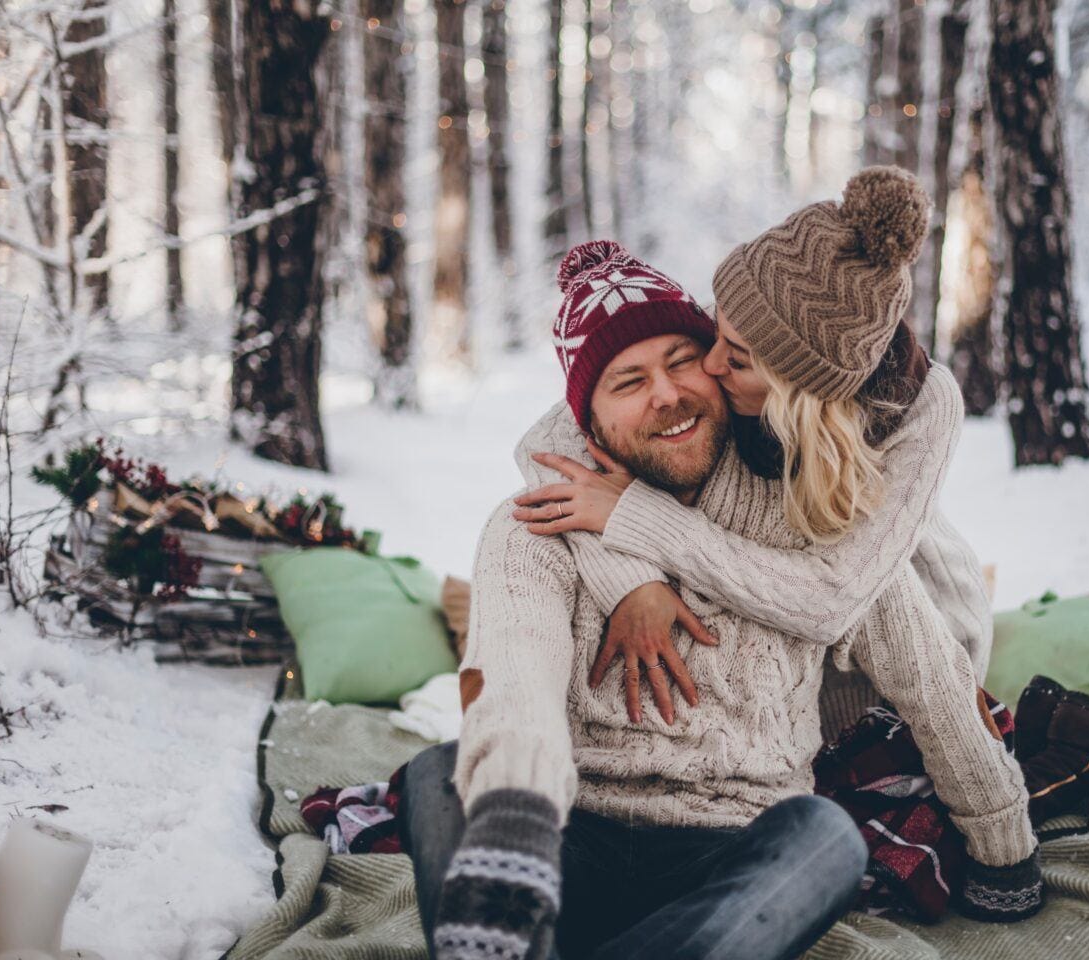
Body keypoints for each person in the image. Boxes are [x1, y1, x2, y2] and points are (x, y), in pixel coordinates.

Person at [399, 243, 1041, 960]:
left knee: (824, 838)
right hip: (569, 835)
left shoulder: (812, 518)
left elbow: (934, 683)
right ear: (585, 419)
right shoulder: (539, 527)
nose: (666, 394)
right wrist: (517, 826)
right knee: (439, 778)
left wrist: (1005, 849)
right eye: (628, 380)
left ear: (720, 367)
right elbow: (515, 680)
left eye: (681, 360)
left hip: (740, 853)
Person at [510, 167, 990, 740]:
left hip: (912, 643)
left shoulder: (922, 406)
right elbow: (550, 445)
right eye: (716, 331)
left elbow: (834, 598)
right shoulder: (751, 320)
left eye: (734, 359)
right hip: (779, 674)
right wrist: (631, 580)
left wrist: (636, 518)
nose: (710, 366)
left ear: (798, 387)